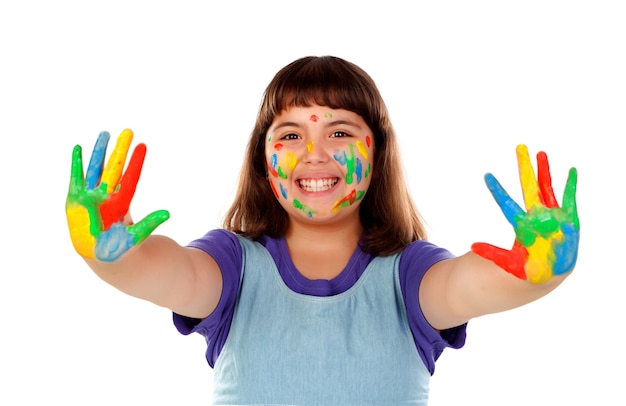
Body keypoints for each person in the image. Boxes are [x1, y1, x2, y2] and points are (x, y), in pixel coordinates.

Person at [65, 55, 580, 405]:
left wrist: (539, 269)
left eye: (339, 131)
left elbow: (470, 285)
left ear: (376, 153)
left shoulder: (409, 275)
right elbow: (169, 274)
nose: (314, 153)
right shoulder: (232, 266)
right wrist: (110, 251)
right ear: (263, 159)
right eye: (291, 134)